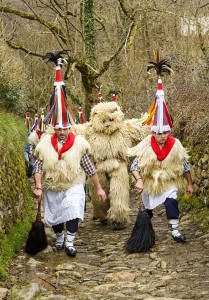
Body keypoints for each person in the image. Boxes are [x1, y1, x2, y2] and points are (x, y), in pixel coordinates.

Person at [33, 124, 106, 257]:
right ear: (54, 130)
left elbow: (90, 169)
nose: (62, 132)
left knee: (73, 209)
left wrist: (99, 188)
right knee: (56, 213)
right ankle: (60, 238)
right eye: (59, 129)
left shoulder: (79, 145)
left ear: (69, 129)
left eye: (64, 129)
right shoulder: (45, 145)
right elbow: (38, 168)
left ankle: (70, 243)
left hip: (73, 183)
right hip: (52, 185)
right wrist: (38, 186)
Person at [128, 128, 194, 242]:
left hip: (168, 181)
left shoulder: (175, 146)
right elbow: (134, 167)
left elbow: (185, 167)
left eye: (165, 133)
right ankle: (144, 232)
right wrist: (139, 179)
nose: (163, 136)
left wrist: (189, 184)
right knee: (147, 210)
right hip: (149, 183)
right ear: (153, 133)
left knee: (171, 202)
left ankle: (175, 230)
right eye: (159, 133)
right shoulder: (146, 146)